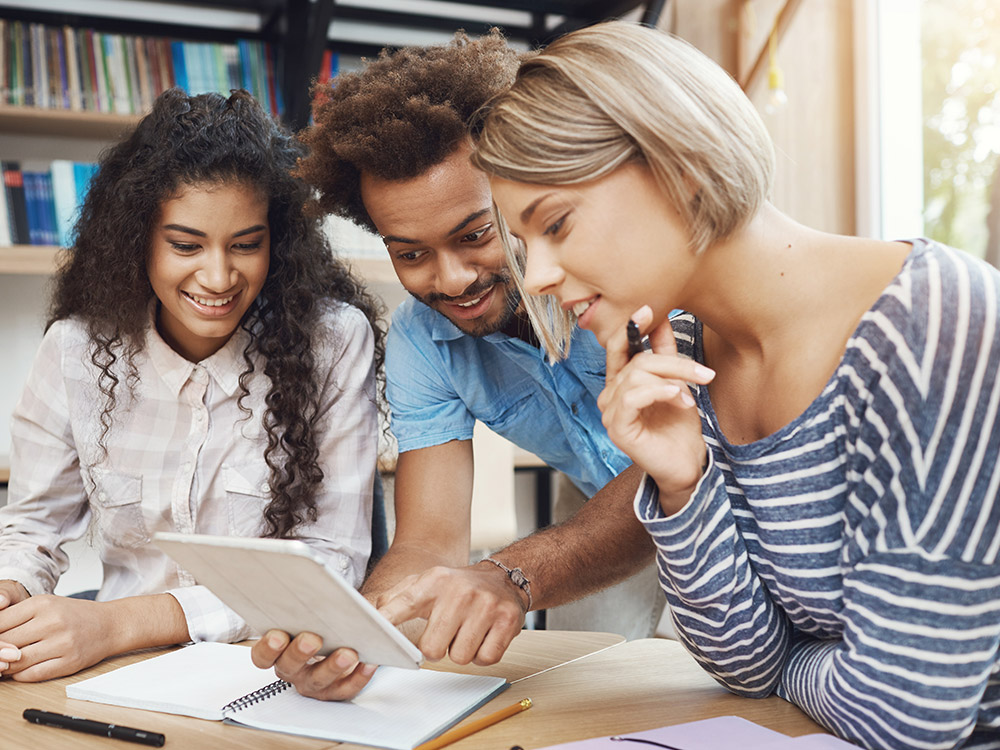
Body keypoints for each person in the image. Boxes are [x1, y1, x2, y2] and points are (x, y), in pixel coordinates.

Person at [472, 20, 1000, 750]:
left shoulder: (938, 325)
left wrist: (791, 663)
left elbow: (904, 715)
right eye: (526, 248)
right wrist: (683, 483)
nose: (536, 279)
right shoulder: (685, 356)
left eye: (557, 224)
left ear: (679, 164)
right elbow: (743, 663)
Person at [250, 31, 663, 701]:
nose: (452, 279)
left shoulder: (625, 275)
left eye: (475, 235)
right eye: (410, 254)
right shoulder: (420, 345)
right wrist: (355, 633)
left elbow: (676, 470)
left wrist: (509, 574)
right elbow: (430, 543)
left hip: (724, 492)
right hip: (593, 500)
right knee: (595, 694)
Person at [0, 88, 382, 682]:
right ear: (137, 241)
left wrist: (120, 623)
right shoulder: (76, 350)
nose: (219, 276)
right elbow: (33, 528)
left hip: (272, 672)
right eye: (185, 245)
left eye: (246, 245)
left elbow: (333, 561)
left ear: (276, 243)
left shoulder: (333, 342)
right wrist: (9, 592)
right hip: (115, 669)